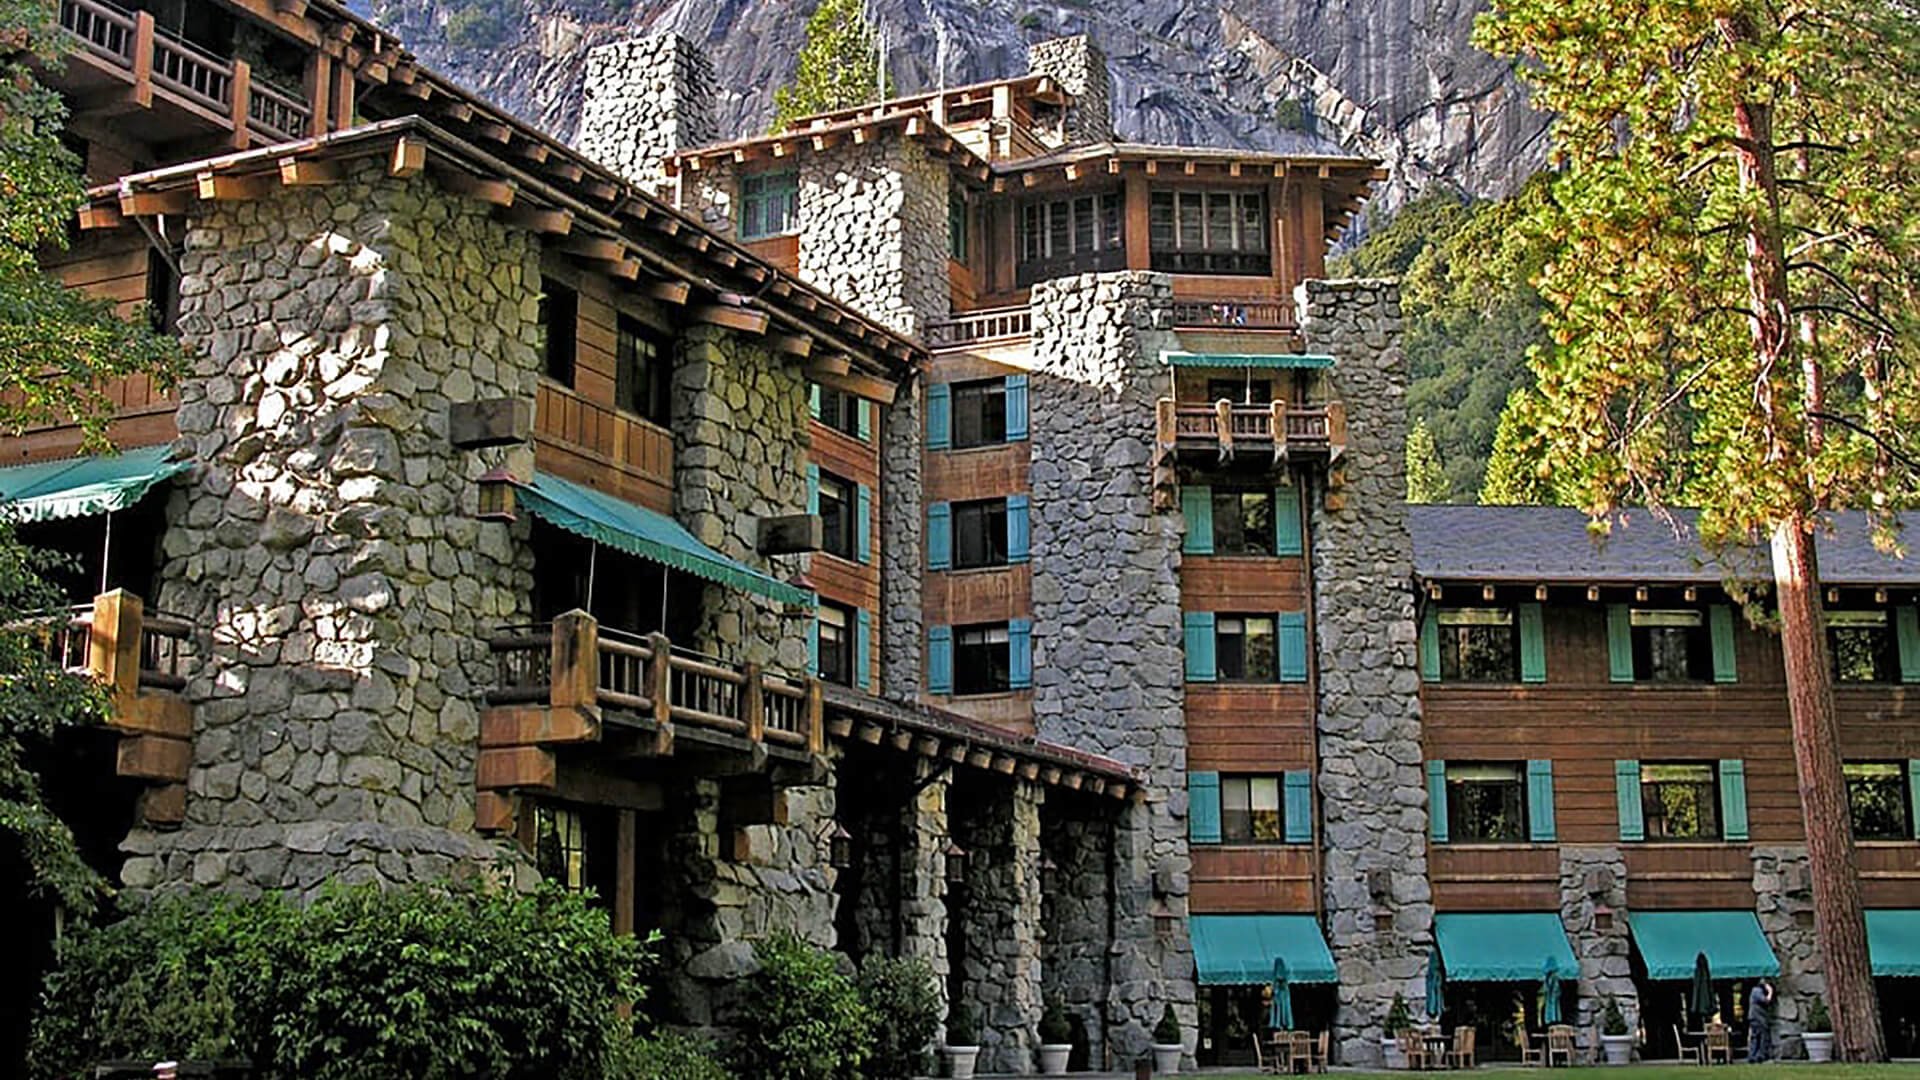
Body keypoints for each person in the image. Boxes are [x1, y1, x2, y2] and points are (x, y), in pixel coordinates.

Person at [1747, 979, 1775, 1063]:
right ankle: (1759, 1056)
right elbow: (1766, 1001)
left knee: (1755, 1037)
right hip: (1758, 1018)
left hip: (1754, 1018)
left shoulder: (1754, 991)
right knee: (1762, 1037)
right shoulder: (1757, 991)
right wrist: (1770, 992)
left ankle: (1752, 1056)